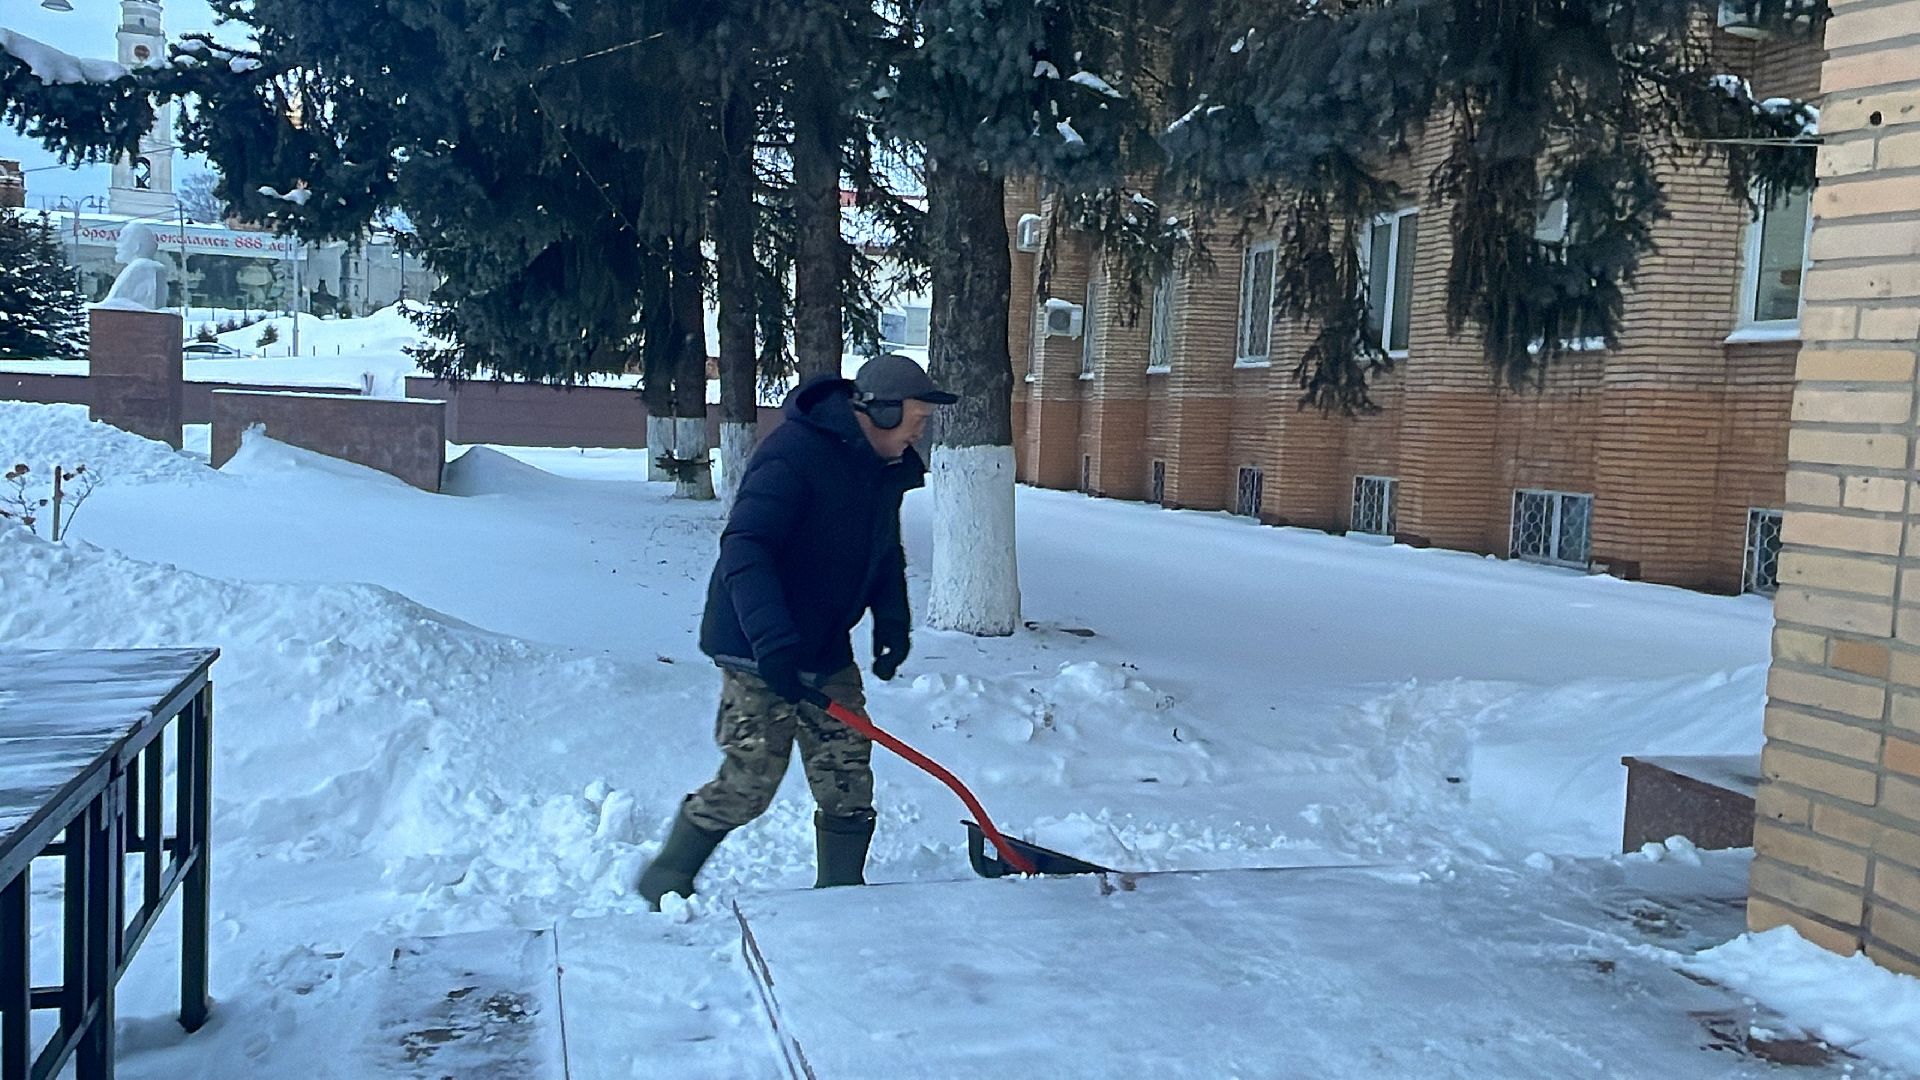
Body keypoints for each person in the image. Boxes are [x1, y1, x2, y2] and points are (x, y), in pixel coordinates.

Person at [637, 353, 958, 909]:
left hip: (823, 644)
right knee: (752, 778)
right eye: (917, 419)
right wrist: (773, 644)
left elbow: (883, 547)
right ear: (881, 412)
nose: (919, 433)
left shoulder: (879, 467)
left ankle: (840, 897)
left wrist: (892, 621)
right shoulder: (794, 455)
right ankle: (666, 876)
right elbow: (745, 548)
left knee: (847, 773)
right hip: (756, 645)